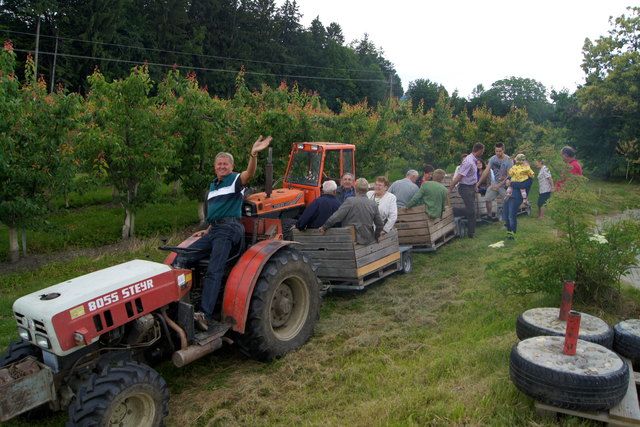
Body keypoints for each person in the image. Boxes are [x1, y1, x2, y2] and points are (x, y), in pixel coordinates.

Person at [175, 136, 272, 331]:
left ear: (231, 166)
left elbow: (249, 174)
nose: (222, 166)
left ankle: (204, 314)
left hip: (229, 228)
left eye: (225, 164)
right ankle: (178, 307)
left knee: (214, 269)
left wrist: (253, 154)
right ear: (214, 167)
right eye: (219, 164)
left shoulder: (234, 179)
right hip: (215, 229)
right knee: (182, 258)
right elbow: (216, 212)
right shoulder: (213, 186)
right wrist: (208, 229)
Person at [320, 178, 383, 245]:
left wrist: (324, 227)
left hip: (350, 239)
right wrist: (377, 235)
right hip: (368, 239)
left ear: (355, 189)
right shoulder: (373, 204)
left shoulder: (350, 201)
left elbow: (337, 216)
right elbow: (380, 224)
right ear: (367, 190)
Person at [448, 143, 484, 238]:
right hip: (465, 188)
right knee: (471, 210)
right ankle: (454, 212)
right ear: (479, 150)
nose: (482, 153)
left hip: (471, 187)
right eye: (482, 151)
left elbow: (472, 175)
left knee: (472, 210)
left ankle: (471, 232)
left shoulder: (473, 160)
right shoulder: (468, 161)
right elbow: (460, 176)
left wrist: (475, 185)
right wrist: (451, 188)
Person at [476, 142, 513, 222]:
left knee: (507, 201)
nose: (498, 153)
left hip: (504, 184)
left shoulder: (508, 160)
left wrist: (500, 184)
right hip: (495, 182)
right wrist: (478, 183)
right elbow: (486, 171)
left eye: (500, 151)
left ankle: (507, 219)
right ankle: (489, 216)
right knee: (487, 198)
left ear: (503, 150)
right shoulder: (493, 158)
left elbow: (509, 175)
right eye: (496, 151)